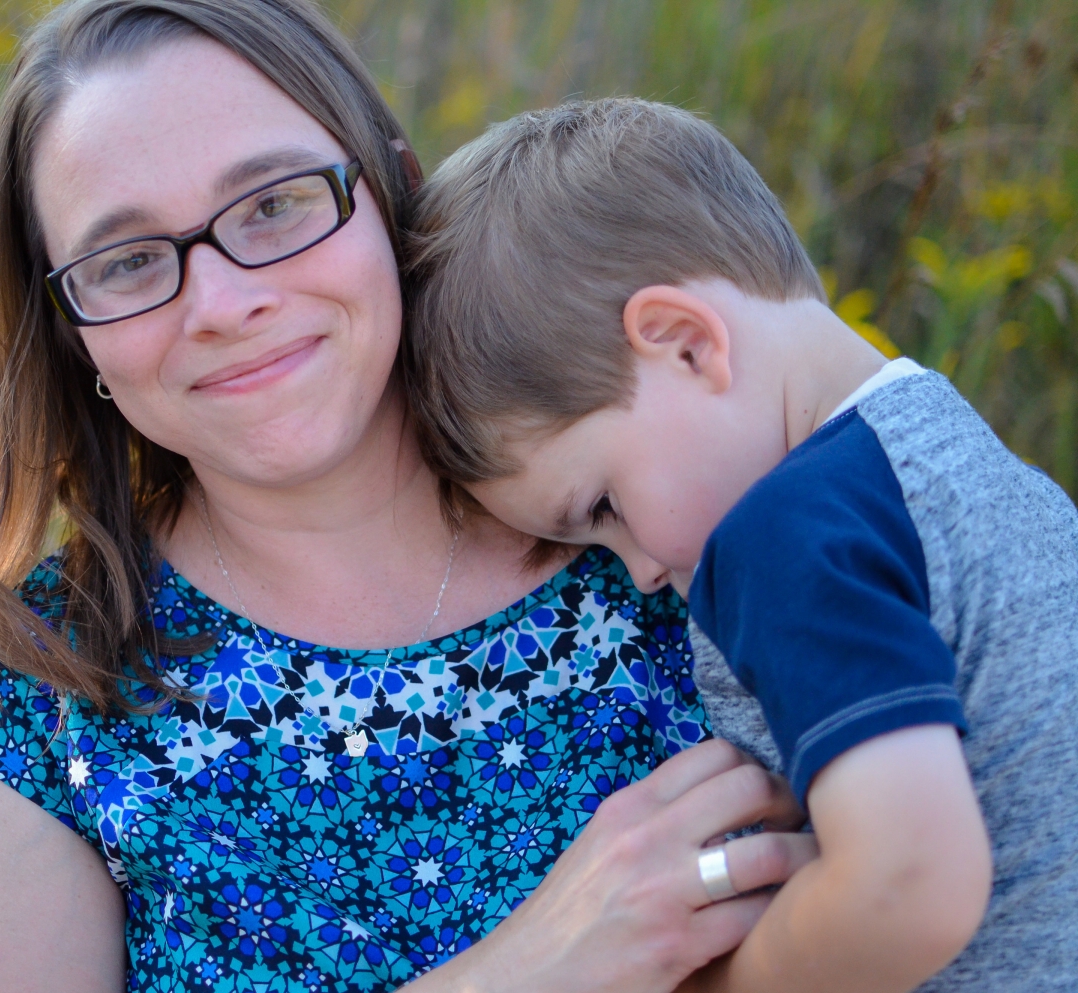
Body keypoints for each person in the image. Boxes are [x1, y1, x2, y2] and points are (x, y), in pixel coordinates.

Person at [0, 4, 819, 992]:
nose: (223, 305)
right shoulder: (37, 690)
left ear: (391, 190)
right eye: (127, 262)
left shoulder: (667, 508)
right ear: (71, 328)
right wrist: (521, 972)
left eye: (274, 204)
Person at [405, 96, 1078, 993]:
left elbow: (909, 883)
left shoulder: (786, 534)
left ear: (685, 344)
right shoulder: (960, 452)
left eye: (603, 506)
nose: (643, 572)